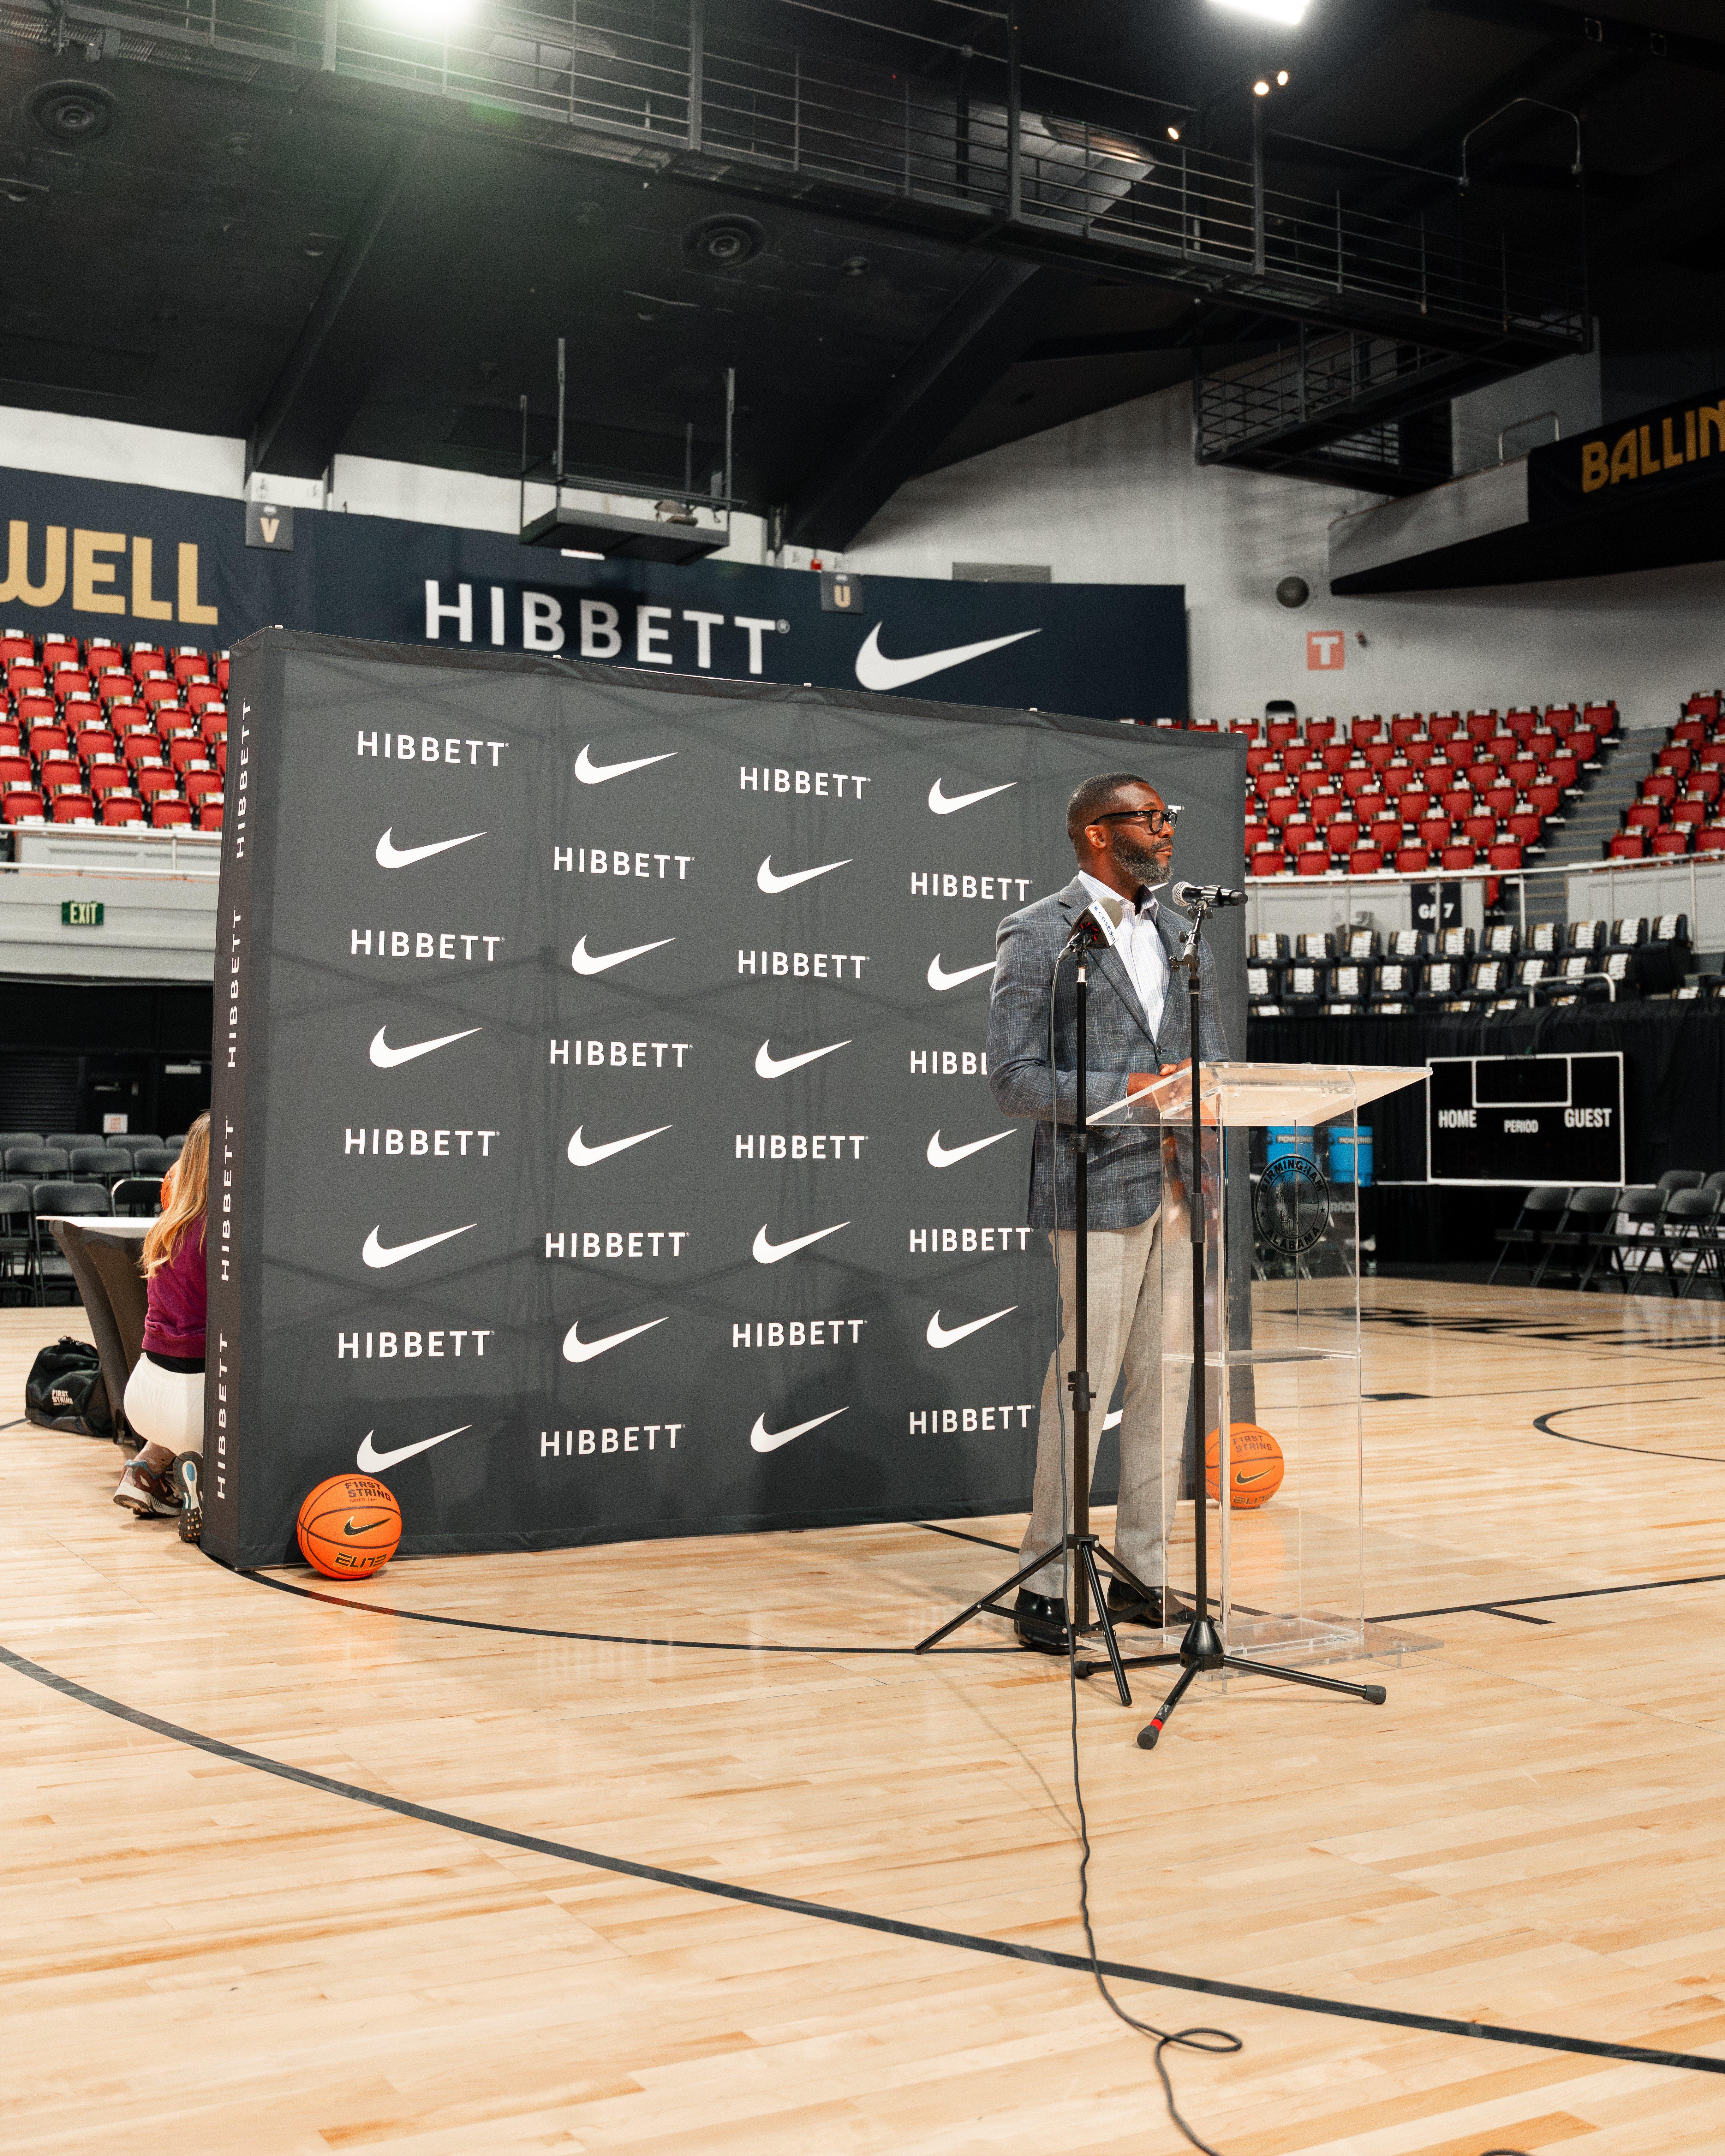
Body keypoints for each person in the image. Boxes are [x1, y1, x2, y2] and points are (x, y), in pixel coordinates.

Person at [986, 773, 1228, 1652]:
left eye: (1170, 815)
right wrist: (1131, 1094)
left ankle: (1142, 1573)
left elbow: (1208, 1067)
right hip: (1095, 1187)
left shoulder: (1180, 929)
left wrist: (1212, 1113)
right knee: (1084, 1382)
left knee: (1165, 1387)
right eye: (1149, 817)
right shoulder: (1040, 931)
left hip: (1182, 1188)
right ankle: (1047, 1580)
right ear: (1097, 832)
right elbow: (1014, 1080)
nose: (1167, 829)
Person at [113, 1112, 208, 1528]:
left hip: (144, 1393)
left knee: (182, 1402)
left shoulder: (165, 1226)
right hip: (195, 1404)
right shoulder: (221, 1233)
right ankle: (200, 1489)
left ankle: (145, 1471)